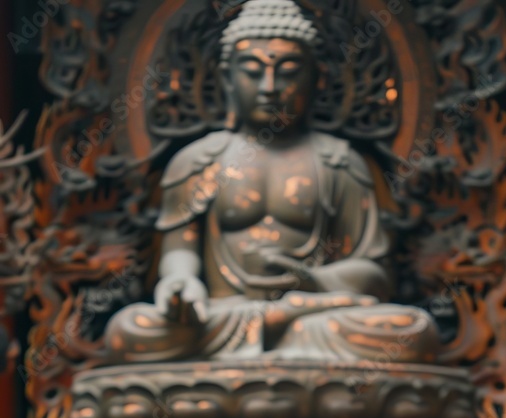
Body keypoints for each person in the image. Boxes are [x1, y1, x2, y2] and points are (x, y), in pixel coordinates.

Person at [103, 0, 438, 366]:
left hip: (314, 316)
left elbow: (374, 274)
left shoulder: (338, 162)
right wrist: (180, 284)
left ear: (317, 78)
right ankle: (282, 342)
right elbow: (179, 252)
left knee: (412, 330)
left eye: (289, 71)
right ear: (227, 77)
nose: (270, 86)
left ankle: (282, 334)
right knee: (128, 330)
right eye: (251, 71)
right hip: (220, 319)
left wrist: (311, 280)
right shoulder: (198, 161)